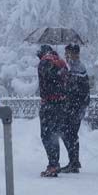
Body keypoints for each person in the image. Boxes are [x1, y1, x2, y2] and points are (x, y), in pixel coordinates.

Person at [37, 44, 68, 177]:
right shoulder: (61, 62)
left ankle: (53, 164)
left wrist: (46, 95)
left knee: (46, 135)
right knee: (54, 134)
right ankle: (55, 163)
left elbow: (46, 81)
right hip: (61, 104)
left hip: (49, 104)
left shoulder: (44, 62)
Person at [60, 43, 90, 173]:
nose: (66, 56)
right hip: (74, 107)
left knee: (69, 134)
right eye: (65, 53)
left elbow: (75, 90)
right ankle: (74, 161)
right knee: (69, 134)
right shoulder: (72, 67)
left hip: (75, 107)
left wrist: (66, 79)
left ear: (75, 54)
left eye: (68, 53)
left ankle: (74, 162)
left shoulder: (78, 69)